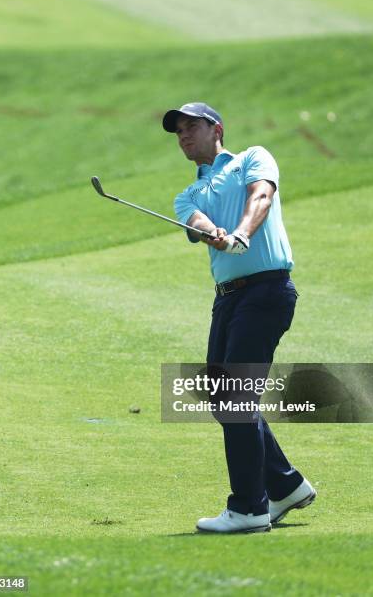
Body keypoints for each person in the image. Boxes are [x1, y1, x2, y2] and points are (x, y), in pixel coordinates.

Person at [162, 102, 317, 533]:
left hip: (266, 291)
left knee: (235, 400)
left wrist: (242, 234)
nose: (184, 136)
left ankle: (249, 508)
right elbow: (196, 222)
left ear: (217, 129)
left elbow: (261, 196)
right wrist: (211, 231)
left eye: (191, 126)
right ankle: (285, 486)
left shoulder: (254, 157)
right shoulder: (187, 194)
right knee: (221, 397)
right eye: (178, 132)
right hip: (227, 300)